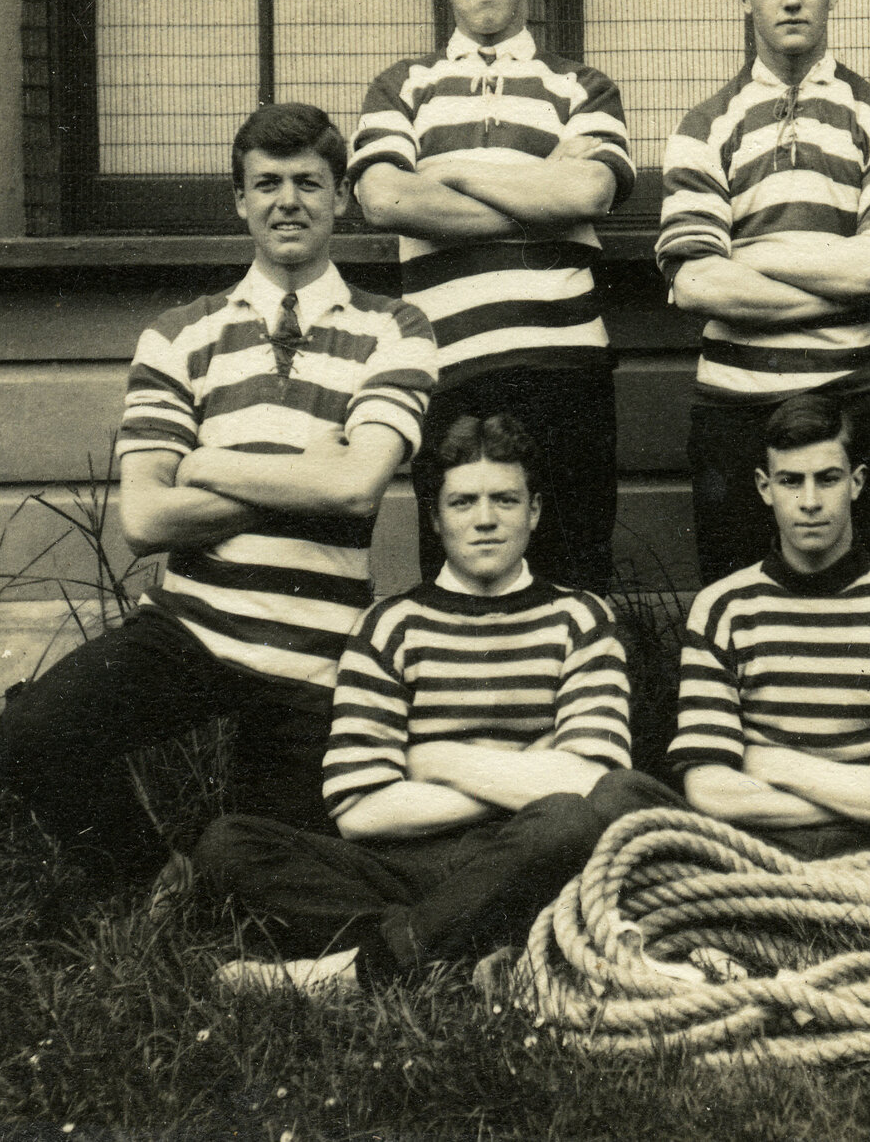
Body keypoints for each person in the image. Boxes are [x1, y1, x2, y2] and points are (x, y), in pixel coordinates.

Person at [0, 103, 440, 903]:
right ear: (239, 201)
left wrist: (206, 465)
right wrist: (304, 471)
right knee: (31, 732)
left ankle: (216, 878)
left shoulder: (395, 327)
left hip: (318, 656)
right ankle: (150, 874)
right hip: (189, 631)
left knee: (252, 878)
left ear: (342, 196)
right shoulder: (179, 335)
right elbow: (145, 520)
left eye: (309, 182)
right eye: (266, 184)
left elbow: (356, 486)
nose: (288, 202)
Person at [194, 414, 677, 997]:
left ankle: (368, 967)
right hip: (410, 863)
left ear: (534, 511)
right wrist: (529, 769)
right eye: (463, 502)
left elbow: (588, 783)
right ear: (435, 518)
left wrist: (434, 759)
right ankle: (465, 942)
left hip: (532, 849)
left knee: (573, 819)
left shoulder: (579, 618)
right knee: (229, 843)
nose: (485, 520)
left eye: (505, 499)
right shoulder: (392, 624)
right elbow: (360, 809)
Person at [350, 0, 633, 593]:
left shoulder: (580, 86)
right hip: (448, 368)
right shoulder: (402, 87)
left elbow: (589, 193)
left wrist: (448, 171)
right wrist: (538, 191)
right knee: (459, 581)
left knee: (573, 577)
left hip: (565, 368)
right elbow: (384, 198)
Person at [657, 0, 870, 585]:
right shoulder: (703, 126)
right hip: (736, 404)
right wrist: (838, 281)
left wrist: (750, 255)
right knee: (738, 601)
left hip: (862, 395)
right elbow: (696, 282)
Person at [670, 392, 870, 860]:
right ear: (765, 487)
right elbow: (706, 790)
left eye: (827, 479)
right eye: (790, 481)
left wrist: (773, 763)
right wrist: (867, 792)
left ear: (856, 483)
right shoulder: (722, 609)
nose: (809, 502)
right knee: (628, 797)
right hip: (757, 846)